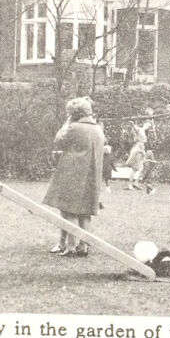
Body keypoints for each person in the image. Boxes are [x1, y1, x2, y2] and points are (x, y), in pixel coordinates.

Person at [45, 97, 104, 257]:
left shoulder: (74, 127)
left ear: (74, 114)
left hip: (73, 174)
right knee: (85, 213)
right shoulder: (98, 129)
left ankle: (70, 247)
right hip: (91, 177)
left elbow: (58, 141)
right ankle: (83, 246)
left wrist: (67, 123)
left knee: (69, 212)